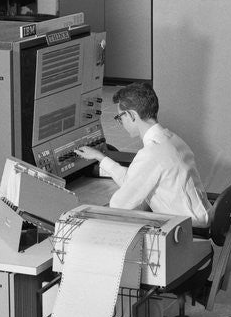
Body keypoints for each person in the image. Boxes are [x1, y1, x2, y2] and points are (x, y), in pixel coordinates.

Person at [75, 83, 212, 228]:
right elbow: (134, 179)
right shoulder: (171, 139)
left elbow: (120, 204)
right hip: (200, 215)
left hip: (188, 227)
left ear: (131, 115)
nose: (120, 123)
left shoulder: (152, 154)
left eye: (120, 117)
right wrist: (100, 157)